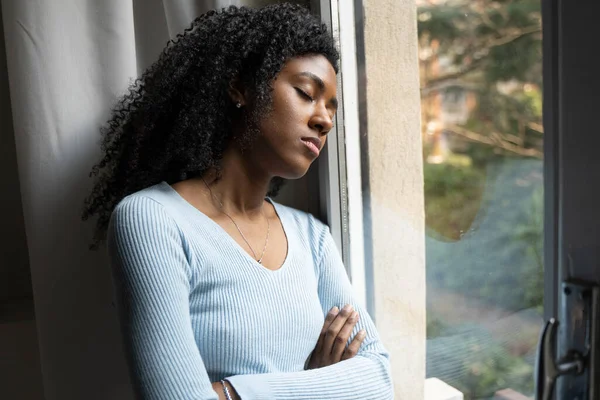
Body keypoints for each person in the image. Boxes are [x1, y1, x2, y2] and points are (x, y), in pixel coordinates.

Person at [83, 3, 393, 399]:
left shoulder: (312, 236)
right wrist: (318, 384)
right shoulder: (151, 220)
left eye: (331, 108)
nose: (324, 120)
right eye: (306, 93)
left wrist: (230, 393)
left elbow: (380, 379)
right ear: (241, 87)